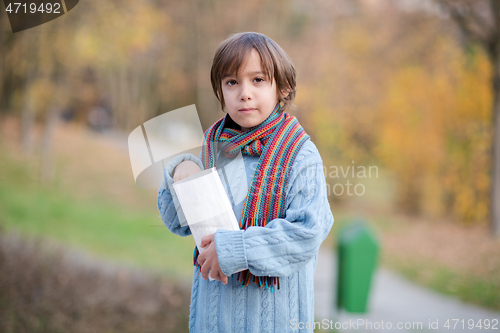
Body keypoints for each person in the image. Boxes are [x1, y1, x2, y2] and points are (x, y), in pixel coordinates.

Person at [157, 32, 334, 333]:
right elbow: (178, 222)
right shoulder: (214, 151)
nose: (244, 93)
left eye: (258, 80)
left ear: (283, 88)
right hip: (212, 321)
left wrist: (233, 250)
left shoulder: (301, 155)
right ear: (220, 91)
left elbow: (307, 232)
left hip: (274, 323)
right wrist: (180, 172)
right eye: (232, 82)